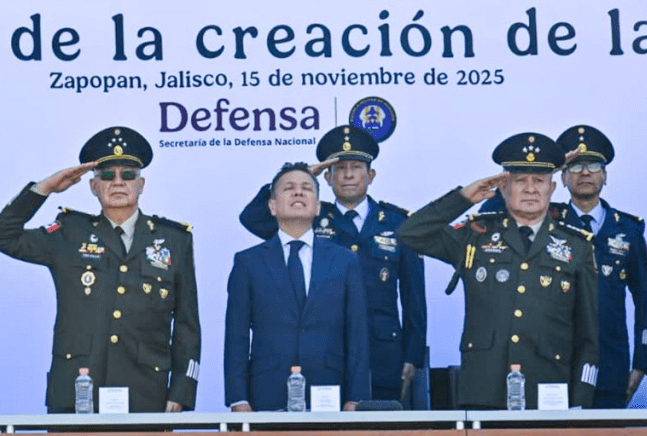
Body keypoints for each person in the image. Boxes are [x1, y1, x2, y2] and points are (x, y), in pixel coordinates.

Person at [0, 126, 200, 413]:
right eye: (107, 175)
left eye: (128, 175)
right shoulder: (70, 233)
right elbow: (1, 235)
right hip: (76, 390)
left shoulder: (174, 239)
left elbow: (187, 325)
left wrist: (182, 391)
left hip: (147, 393)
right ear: (93, 186)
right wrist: (45, 188)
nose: (118, 182)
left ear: (142, 183)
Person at [398, 132, 598, 409]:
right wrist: (464, 197)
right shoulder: (476, 234)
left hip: (550, 391)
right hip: (484, 391)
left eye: (539, 181)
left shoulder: (577, 246)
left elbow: (588, 336)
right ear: (503, 189)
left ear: (552, 189)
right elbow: (410, 234)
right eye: (519, 181)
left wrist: (580, 402)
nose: (530, 189)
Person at [239, 125, 426, 404]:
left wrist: (413, 356)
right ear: (327, 176)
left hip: (382, 353)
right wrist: (302, 174)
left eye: (356, 167)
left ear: (370, 175)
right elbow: (254, 219)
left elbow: (414, 299)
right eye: (339, 169)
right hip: (327, 352)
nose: (348, 175)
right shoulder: (310, 216)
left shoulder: (399, 224)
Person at [224, 162, 370, 411]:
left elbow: (357, 335)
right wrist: (238, 398)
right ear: (272, 205)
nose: (298, 193)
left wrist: (355, 399)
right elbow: (236, 336)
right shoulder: (248, 262)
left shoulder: (345, 261)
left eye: (306, 188)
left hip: (330, 392)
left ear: (317, 207)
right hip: (266, 392)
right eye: (288, 188)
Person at [551, 125, 647, 407]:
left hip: (610, 364)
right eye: (575, 166)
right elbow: (496, 214)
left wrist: (641, 363)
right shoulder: (546, 224)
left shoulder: (628, 230)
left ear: (605, 176)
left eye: (594, 165)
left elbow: (646, 300)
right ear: (563, 177)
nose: (585, 172)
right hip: (555, 366)